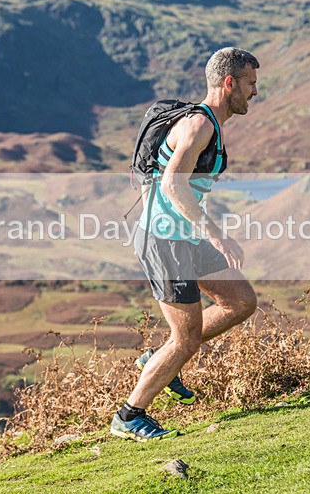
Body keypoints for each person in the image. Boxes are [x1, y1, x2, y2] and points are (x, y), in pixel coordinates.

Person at [111, 47, 260, 441]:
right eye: (251, 84)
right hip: (164, 242)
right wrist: (217, 232)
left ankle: (155, 359)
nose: (255, 92)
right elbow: (172, 182)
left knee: (241, 301)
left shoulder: (209, 122)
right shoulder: (199, 125)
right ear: (229, 83)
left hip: (185, 238)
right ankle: (129, 416)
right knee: (187, 339)